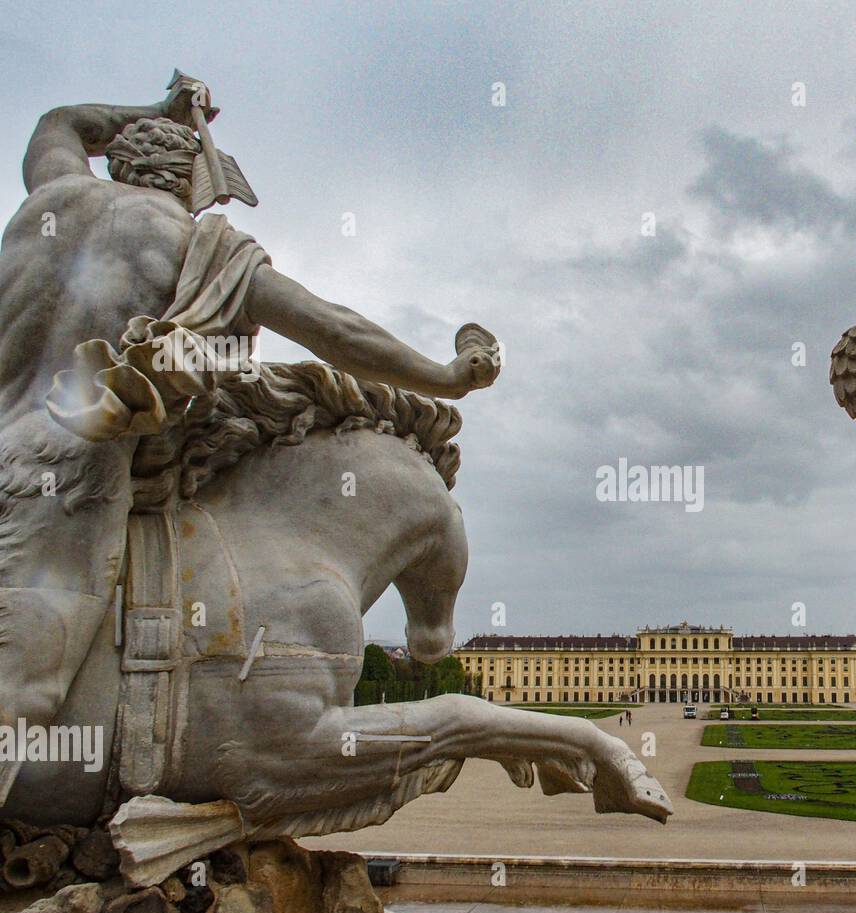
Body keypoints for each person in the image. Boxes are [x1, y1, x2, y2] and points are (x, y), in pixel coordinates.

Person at [0, 76, 499, 804]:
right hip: (61, 479)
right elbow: (337, 332)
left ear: (120, 162)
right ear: (192, 185)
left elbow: (63, 118)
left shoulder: (52, 193)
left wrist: (153, 110)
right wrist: (444, 377)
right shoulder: (194, 245)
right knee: (22, 695)